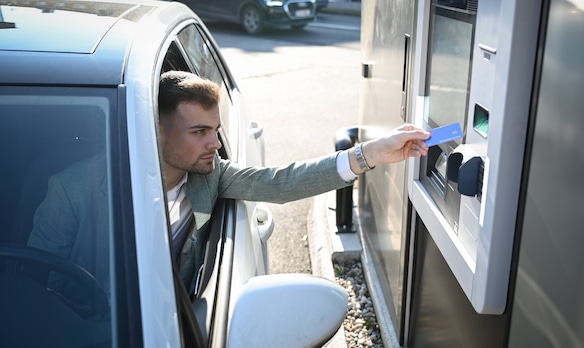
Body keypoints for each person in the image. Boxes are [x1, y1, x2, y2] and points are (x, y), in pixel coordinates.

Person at [29, 70, 431, 299]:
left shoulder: (211, 174)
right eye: (200, 131)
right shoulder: (72, 189)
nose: (216, 144)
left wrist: (372, 153)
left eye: (217, 130)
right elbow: (39, 281)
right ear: (156, 132)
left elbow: (282, 182)